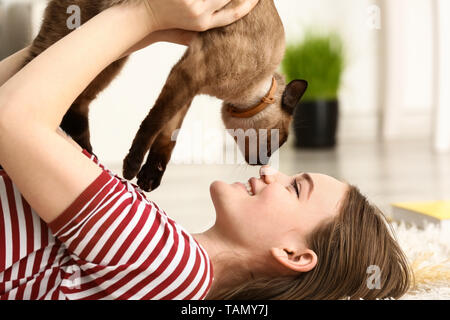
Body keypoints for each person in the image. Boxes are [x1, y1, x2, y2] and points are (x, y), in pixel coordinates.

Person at [0, 0, 412, 300]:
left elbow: (11, 120)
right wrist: (148, 30)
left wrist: (145, 16)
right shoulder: (174, 254)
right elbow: (21, 99)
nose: (271, 172)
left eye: (294, 188)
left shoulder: (173, 267)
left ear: (293, 254)